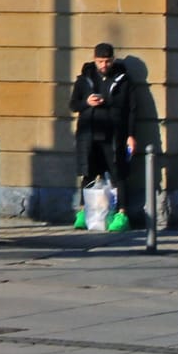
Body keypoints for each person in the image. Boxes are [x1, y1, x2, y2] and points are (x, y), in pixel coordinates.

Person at [70, 42, 135, 228]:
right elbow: (73, 105)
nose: (104, 65)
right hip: (88, 134)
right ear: (94, 60)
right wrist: (87, 102)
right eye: (100, 61)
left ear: (113, 60)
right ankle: (83, 212)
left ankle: (122, 215)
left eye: (107, 61)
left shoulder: (123, 80)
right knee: (88, 173)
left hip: (113, 135)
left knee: (118, 175)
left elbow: (131, 110)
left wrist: (131, 135)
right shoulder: (84, 79)